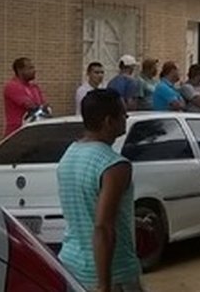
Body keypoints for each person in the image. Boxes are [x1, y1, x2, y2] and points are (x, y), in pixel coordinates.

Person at [57, 89, 143, 292]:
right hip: (112, 271)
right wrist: (104, 285)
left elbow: (86, 204)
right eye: (123, 113)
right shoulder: (115, 165)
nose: (127, 117)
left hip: (71, 264)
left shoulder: (70, 154)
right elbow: (103, 227)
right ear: (108, 121)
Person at [4, 57, 48, 135]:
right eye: (30, 68)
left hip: (34, 131)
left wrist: (41, 107)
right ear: (20, 70)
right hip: (17, 132)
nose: (34, 70)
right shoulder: (13, 86)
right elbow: (31, 106)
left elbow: (45, 106)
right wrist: (40, 107)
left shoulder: (34, 87)